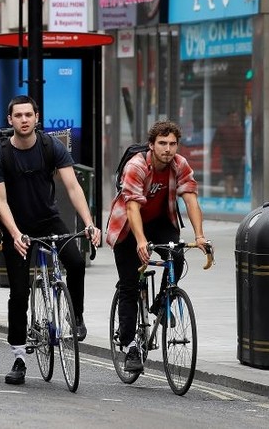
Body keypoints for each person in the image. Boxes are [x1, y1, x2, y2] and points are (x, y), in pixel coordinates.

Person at [0, 95, 100, 385]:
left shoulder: (51, 146)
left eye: (29, 114)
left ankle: (77, 318)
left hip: (48, 220)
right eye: (18, 115)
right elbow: (0, 201)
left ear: (37, 117)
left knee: (75, 261)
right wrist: (14, 234)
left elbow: (73, 187)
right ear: (9, 120)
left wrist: (89, 224)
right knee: (19, 294)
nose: (24, 120)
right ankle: (19, 357)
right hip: (16, 225)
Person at [106, 120, 209, 373]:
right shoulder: (137, 165)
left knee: (177, 255)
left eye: (173, 144)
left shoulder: (179, 165)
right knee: (130, 285)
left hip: (161, 221)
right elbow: (132, 207)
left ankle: (162, 301)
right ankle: (130, 346)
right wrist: (141, 241)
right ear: (151, 145)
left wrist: (200, 236)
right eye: (162, 143)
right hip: (130, 227)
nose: (168, 149)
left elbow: (191, 200)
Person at [212, 109, 244, 198]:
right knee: (228, 178)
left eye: (235, 117)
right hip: (226, 157)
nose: (234, 119)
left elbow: (244, 144)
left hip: (238, 157)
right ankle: (230, 197)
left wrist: (244, 156)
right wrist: (210, 154)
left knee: (233, 179)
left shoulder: (241, 129)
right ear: (228, 118)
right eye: (232, 117)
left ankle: (230, 196)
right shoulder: (222, 129)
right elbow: (215, 142)